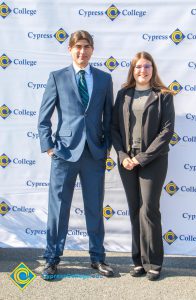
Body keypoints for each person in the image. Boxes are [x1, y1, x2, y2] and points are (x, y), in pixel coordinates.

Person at [38, 30, 114, 279]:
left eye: (87, 46)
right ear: (70, 49)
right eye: (77, 47)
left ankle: (97, 258)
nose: (82, 51)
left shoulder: (104, 79)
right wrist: (49, 146)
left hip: (94, 154)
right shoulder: (57, 77)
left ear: (92, 49)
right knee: (58, 208)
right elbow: (44, 118)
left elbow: (109, 119)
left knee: (94, 207)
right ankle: (51, 259)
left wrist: (106, 149)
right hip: (64, 153)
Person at [111, 51, 175, 281]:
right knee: (134, 209)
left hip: (153, 160)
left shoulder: (163, 96)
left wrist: (142, 158)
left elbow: (167, 131)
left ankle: (154, 262)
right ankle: (138, 261)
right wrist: (122, 155)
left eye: (147, 66)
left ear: (153, 69)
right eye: (138, 67)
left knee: (149, 209)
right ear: (133, 70)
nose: (143, 70)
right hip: (127, 160)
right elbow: (114, 129)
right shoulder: (123, 95)